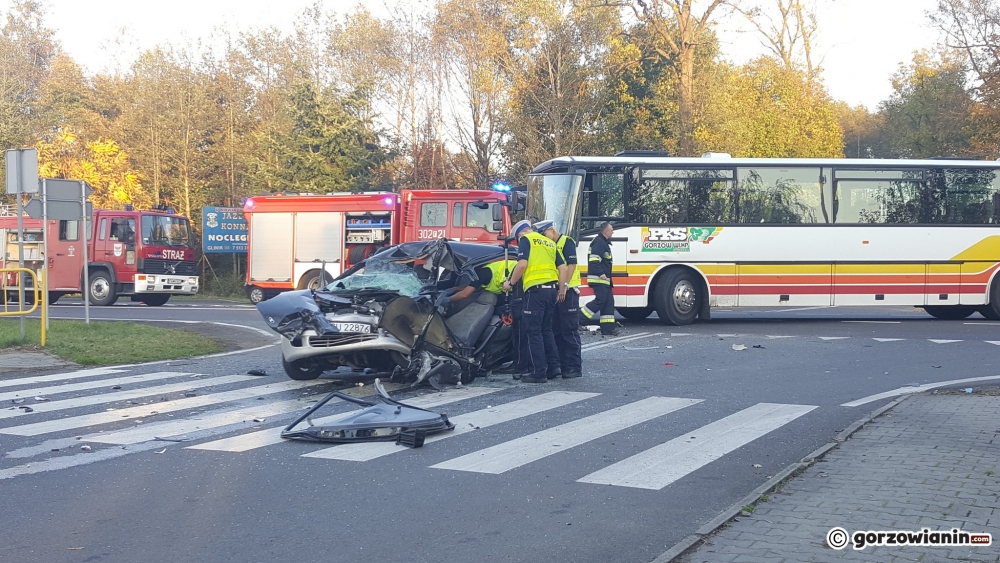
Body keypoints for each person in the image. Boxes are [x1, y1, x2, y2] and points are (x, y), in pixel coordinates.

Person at [503, 219, 563, 383]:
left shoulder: (526, 240)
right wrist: (562, 289)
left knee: (533, 332)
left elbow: (522, 265)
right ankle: (554, 367)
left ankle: (539, 372)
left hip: (535, 292)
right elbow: (562, 268)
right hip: (552, 290)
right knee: (546, 330)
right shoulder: (549, 242)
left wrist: (510, 283)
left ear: (520, 234)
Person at [539, 220, 582, 379]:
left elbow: (571, 265)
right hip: (558, 291)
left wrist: (564, 286)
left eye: (545, 234)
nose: (545, 238)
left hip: (569, 291)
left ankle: (574, 367)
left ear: (551, 230)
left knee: (569, 330)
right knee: (556, 330)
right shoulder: (552, 246)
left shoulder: (566, 241)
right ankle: (563, 366)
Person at [580, 221, 619, 336]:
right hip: (599, 279)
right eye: (612, 230)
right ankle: (578, 319)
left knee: (608, 303)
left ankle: (608, 329)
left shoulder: (603, 242)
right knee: (600, 301)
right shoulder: (599, 242)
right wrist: (601, 274)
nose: (613, 232)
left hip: (603, 280)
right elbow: (594, 261)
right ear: (606, 232)